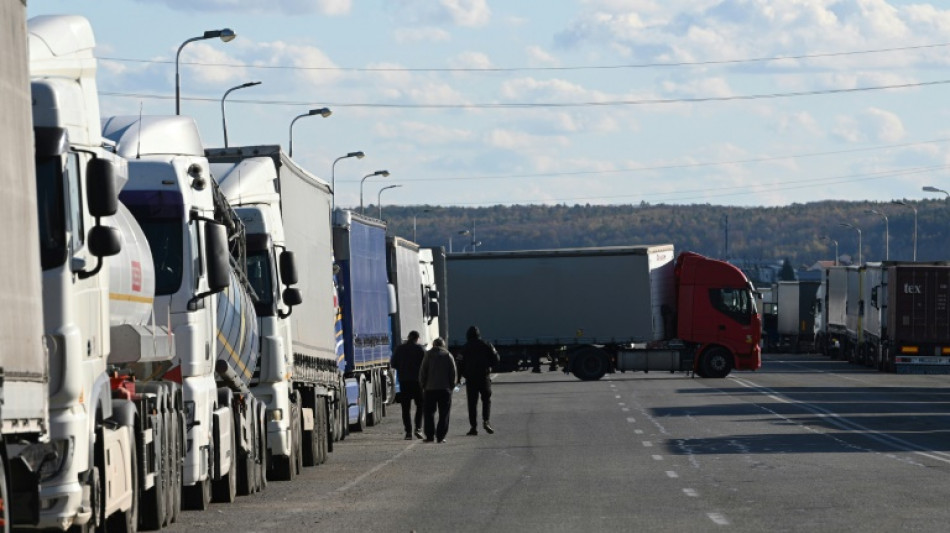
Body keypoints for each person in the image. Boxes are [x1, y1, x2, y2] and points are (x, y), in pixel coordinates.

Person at [457, 325, 500, 436]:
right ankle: (486, 421)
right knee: (486, 400)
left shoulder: (465, 347)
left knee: (472, 403)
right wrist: (489, 366)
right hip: (484, 376)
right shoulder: (487, 345)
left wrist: (458, 378)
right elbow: (496, 359)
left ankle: (473, 427)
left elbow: (459, 364)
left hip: (471, 379)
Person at [419, 337, 457, 443]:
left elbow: (423, 371)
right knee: (444, 413)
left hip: (430, 389)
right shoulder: (448, 355)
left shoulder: (428, 355)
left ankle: (430, 436)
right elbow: (453, 372)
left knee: (429, 413)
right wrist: (452, 386)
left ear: (433, 344)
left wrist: (423, 385)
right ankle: (441, 436)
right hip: (444, 389)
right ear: (443, 345)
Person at [390, 330, 425, 440]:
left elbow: (393, 364)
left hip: (404, 382)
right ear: (417, 338)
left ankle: (408, 432)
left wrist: (402, 368)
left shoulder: (399, 349)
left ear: (409, 337)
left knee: (406, 408)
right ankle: (418, 428)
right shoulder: (420, 349)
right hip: (417, 382)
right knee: (420, 406)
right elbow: (425, 365)